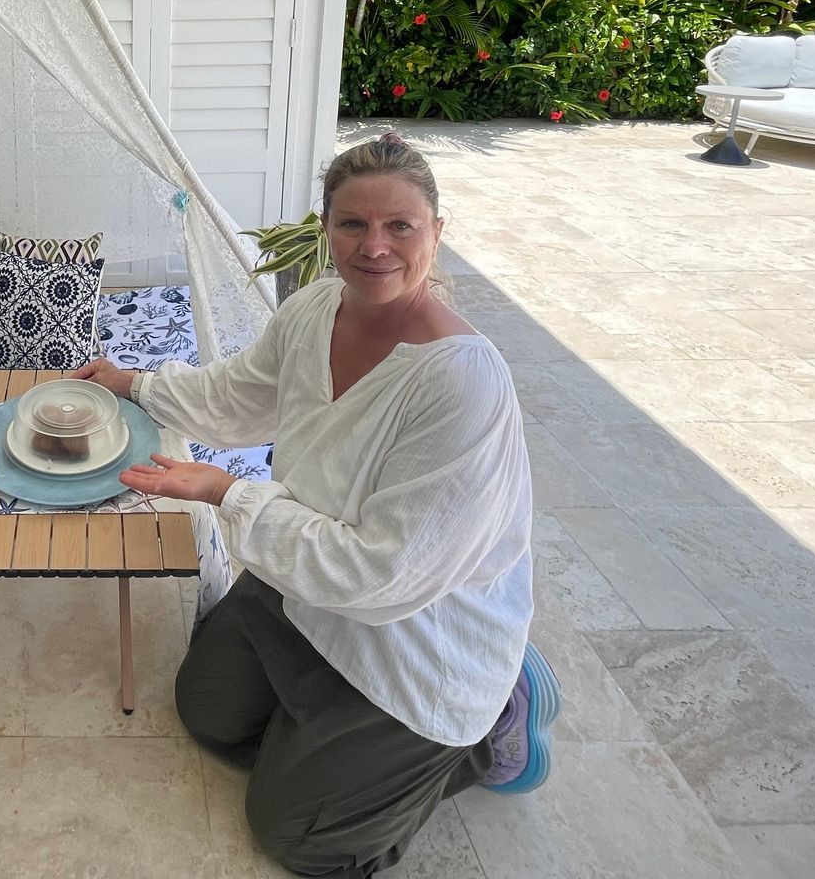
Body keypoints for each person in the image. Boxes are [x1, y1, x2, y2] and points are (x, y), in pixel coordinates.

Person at [76, 132, 558, 878]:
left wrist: (226, 492)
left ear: (436, 231)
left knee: (299, 837)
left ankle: (491, 726)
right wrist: (133, 383)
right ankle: (328, 745)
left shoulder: (462, 383)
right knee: (206, 712)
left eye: (401, 225)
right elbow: (238, 397)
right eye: (353, 224)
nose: (376, 247)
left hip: (415, 635)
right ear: (326, 227)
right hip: (310, 586)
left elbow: (382, 577)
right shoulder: (316, 310)